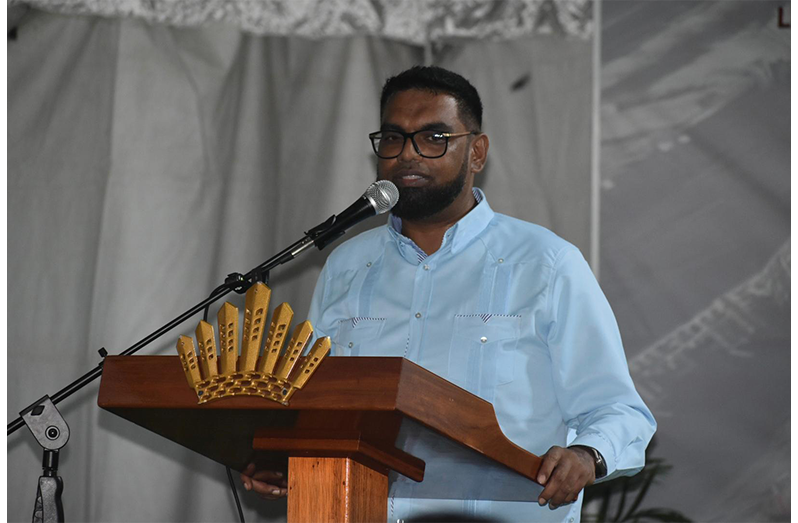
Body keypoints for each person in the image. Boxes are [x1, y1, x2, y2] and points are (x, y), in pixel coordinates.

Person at [242, 66, 656, 522]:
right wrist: (284, 457)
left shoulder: (546, 263)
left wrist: (586, 456)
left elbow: (619, 410)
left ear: (476, 152)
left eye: (434, 138)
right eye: (395, 138)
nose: (408, 155)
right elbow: (317, 404)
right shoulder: (347, 266)